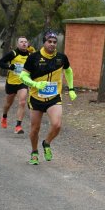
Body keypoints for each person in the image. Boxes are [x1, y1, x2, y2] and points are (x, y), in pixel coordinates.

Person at [19, 30, 77, 165]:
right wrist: (35, 84)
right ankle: (34, 152)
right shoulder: (33, 57)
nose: (52, 44)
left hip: (54, 97)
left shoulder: (62, 58)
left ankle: (46, 143)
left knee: (57, 125)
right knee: (35, 129)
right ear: (44, 42)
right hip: (36, 98)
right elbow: (23, 76)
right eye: (49, 42)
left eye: (54, 42)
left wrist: (72, 88)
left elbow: (68, 71)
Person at [0, 36, 33, 134]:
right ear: (17, 44)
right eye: (21, 42)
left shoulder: (30, 55)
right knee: (8, 104)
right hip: (11, 82)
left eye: (25, 42)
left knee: (22, 102)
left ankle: (18, 126)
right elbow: (0, 62)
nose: (24, 43)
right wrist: (9, 66)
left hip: (23, 82)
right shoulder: (13, 53)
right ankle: (4, 116)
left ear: (28, 44)